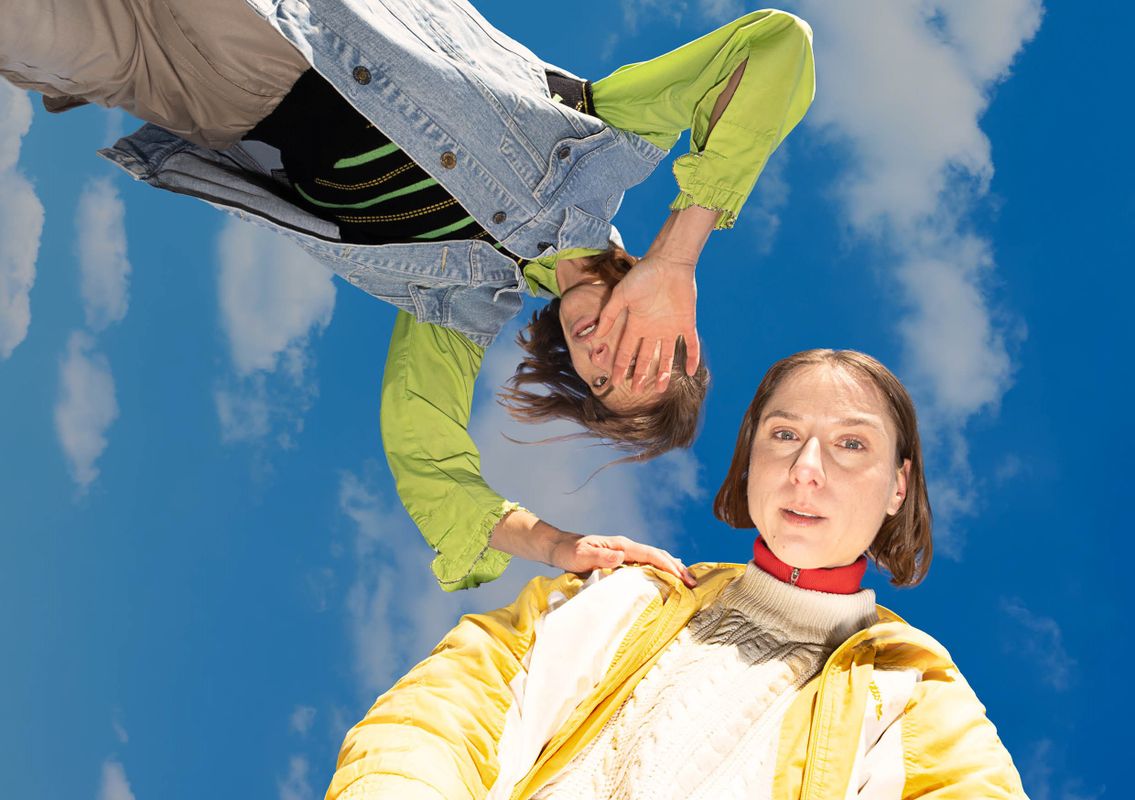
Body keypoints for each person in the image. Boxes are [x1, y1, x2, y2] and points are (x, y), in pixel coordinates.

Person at [1, 0, 815, 589]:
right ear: (677, 325)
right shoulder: (600, 138)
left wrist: (560, 548)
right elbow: (776, 46)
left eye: (601, 379)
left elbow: (429, 466)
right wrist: (678, 255)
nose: (605, 353)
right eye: (640, 356)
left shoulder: (458, 306)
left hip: (188, 93)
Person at [324, 349, 1029, 800]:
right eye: (784, 435)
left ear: (898, 486)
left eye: (850, 444)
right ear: (749, 459)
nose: (806, 468)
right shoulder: (629, 593)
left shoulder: (911, 688)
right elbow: (442, 711)